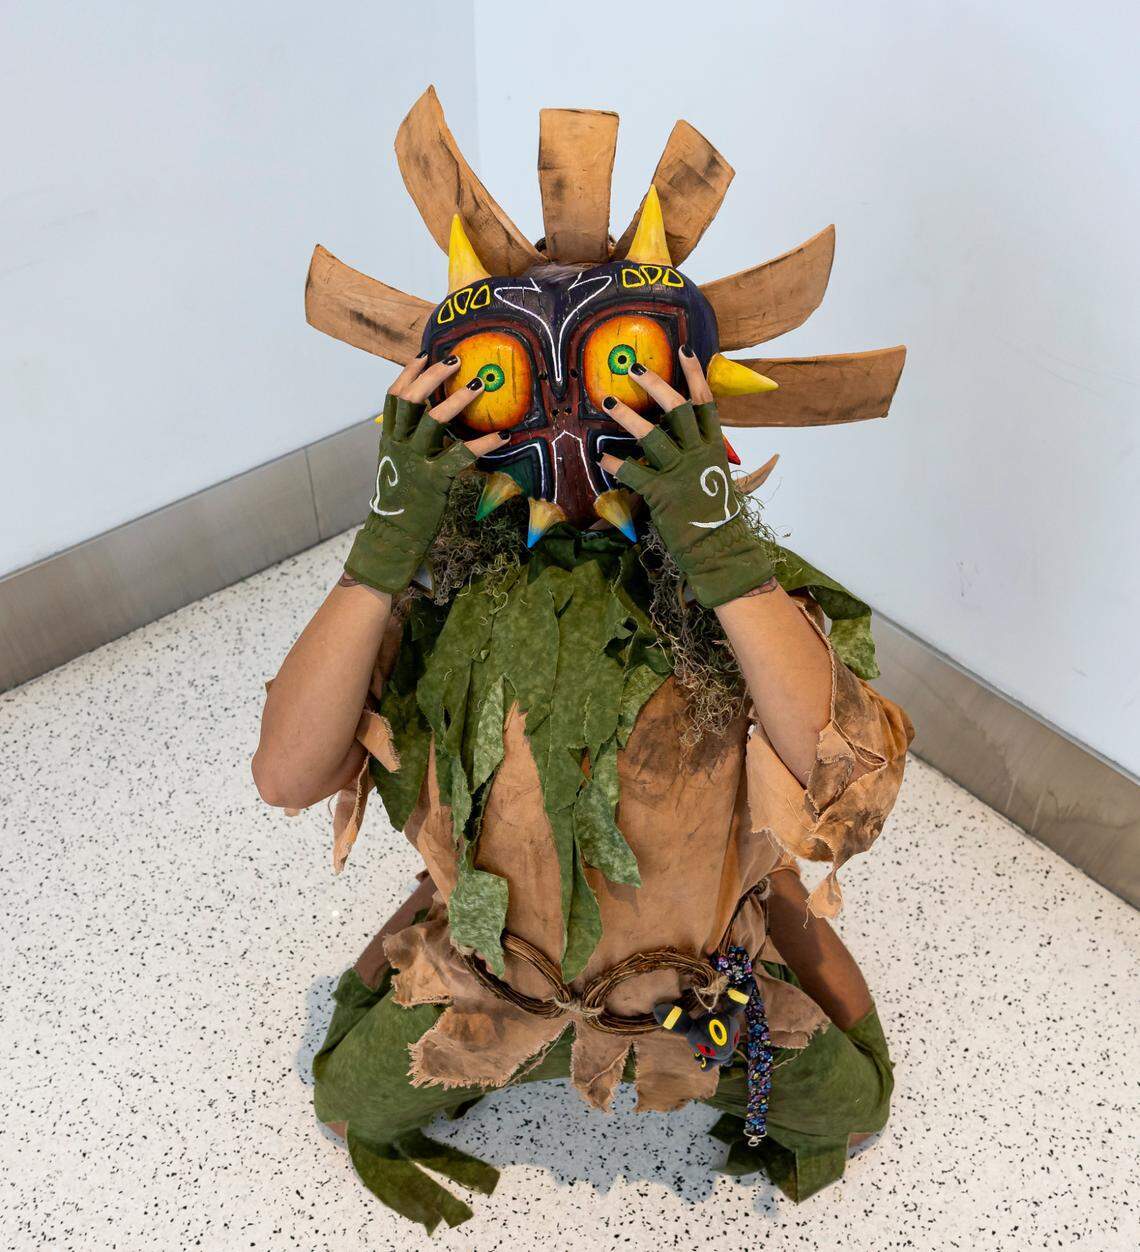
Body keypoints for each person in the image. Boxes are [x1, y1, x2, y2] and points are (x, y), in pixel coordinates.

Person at [253, 91, 912, 1232]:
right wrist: (382, 552)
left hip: (693, 1004)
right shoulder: (439, 600)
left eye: (615, 368)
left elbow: (844, 781)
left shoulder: (730, 606)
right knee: (347, 1098)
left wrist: (721, 553)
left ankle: (767, 946)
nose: (564, 415)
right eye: (509, 376)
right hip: (494, 992)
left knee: (854, 1107)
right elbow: (286, 774)